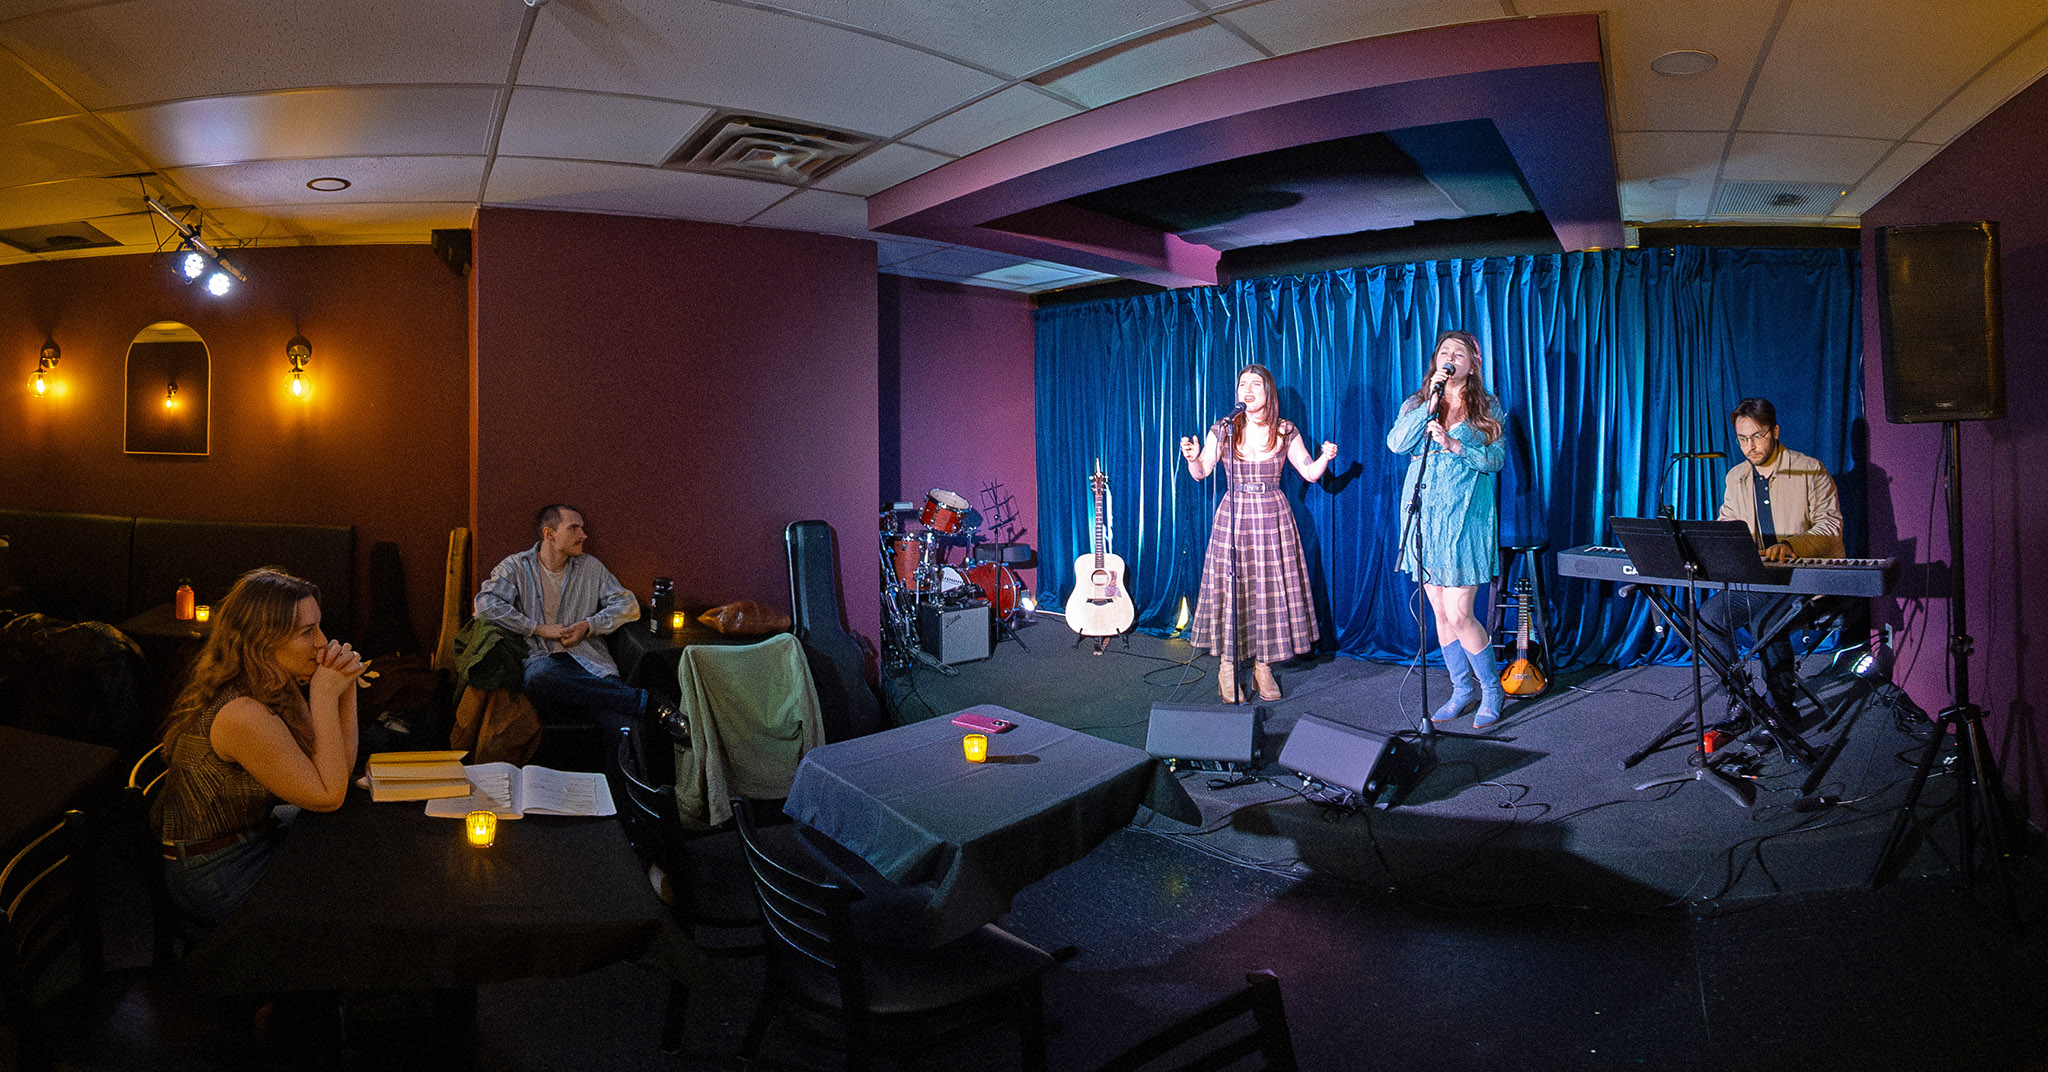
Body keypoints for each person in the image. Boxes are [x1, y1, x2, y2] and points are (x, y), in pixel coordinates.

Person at [154, 568, 363, 925]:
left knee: (359, 832)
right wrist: (325, 696)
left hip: (253, 834)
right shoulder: (242, 713)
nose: (322, 642)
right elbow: (329, 795)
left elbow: (335, 773)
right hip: (216, 869)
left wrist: (347, 691)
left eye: (319, 627)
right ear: (262, 641)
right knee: (354, 887)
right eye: (306, 632)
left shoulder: (273, 684)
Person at [1180, 364, 1338, 702]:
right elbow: (1201, 472)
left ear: (1269, 392)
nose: (1247, 389)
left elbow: (1309, 473)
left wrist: (1325, 458)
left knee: (1268, 592)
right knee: (1232, 589)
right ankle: (1227, 666)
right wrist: (1192, 458)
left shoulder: (1284, 430)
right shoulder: (1223, 429)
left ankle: (1263, 667)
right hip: (1233, 514)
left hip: (1272, 514)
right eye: (1242, 384)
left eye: (1255, 383)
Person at [1386, 330, 1509, 728]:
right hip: (1424, 514)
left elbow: (1496, 462)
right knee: (1438, 609)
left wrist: (1457, 446)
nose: (1450, 357)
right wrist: (1430, 404)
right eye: (1444, 352)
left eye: (1459, 353)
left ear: (1472, 363)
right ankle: (1461, 689)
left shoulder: (1487, 408)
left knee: (1459, 613)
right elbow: (1396, 444)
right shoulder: (1419, 402)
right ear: (1435, 361)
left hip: (1466, 518)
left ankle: (1491, 688)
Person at [1700, 397, 1844, 716]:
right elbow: (1727, 523)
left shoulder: (1810, 469)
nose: (1750, 446)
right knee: (1707, 619)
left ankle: (1782, 707)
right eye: (1742, 438)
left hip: (1804, 578)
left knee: (1766, 623)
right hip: (1760, 580)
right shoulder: (1735, 477)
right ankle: (1742, 698)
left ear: (1775, 431)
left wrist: (1793, 545)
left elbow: (1830, 525)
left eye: (1757, 435)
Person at [474, 503, 667, 736]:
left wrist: (588, 626)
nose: (583, 535)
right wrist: (538, 628)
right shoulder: (516, 567)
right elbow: (485, 605)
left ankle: (630, 744)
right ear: (550, 533)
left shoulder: (591, 567)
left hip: (591, 663)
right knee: (538, 677)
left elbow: (628, 605)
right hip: (545, 659)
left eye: (582, 528)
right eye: (574, 528)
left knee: (625, 727)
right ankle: (648, 703)